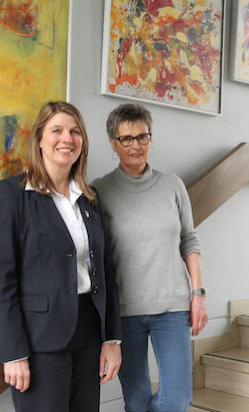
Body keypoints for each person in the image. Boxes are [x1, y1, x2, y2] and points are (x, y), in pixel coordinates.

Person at [0, 101, 122, 412]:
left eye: (75, 132)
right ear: (40, 139)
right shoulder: (12, 195)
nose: (67, 139)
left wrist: (111, 339)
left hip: (89, 334)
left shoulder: (90, 199)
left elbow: (106, 273)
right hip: (38, 341)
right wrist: (12, 352)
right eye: (57, 130)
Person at [92, 103, 208, 412]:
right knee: (137, 398)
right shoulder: (99, 191)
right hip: (124, 312)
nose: (136, 145)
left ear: (150, 139)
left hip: (172, 308)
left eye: (142, 136)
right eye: (127, 139)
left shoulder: (173, 185)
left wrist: (198, 294)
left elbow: (189, 240)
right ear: (113, 143)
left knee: (177, 400)